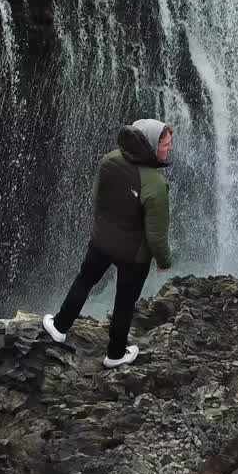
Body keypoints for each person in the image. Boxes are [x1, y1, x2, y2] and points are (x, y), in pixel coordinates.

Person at [43, 118, 173, 368]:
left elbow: (97, 197)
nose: (170, 148)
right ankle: (115, 355)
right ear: (149, 145)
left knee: (84, 280)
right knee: (124, 302)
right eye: (165, 144)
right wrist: (164, 261)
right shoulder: (155, 183)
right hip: (134, 255)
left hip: (102, 240)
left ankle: (59, 327)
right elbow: (156, 233)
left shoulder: (110, 160)